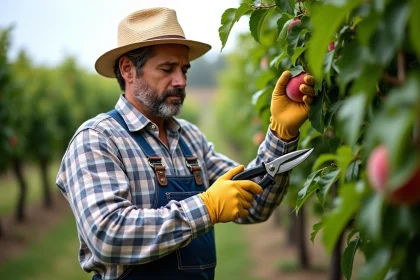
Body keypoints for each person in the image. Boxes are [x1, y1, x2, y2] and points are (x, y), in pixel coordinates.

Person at [56, 7, 315, 280]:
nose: (180, 81)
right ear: (128, 70)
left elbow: (255, 203)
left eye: (184, 69)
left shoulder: (190, 139)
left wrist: (281, 133)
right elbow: (108, 235)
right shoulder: (97, 139)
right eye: (167, 69)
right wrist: (206, 208)